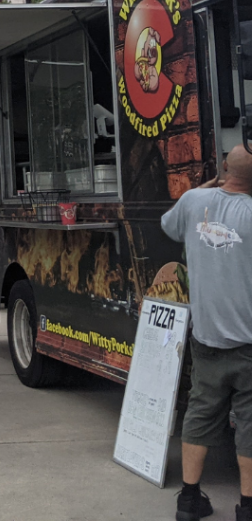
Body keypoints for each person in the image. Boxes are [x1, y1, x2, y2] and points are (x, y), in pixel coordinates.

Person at [162, 145, 252, 521]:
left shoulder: (192, 200)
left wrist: (205, 190)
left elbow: (168, 226)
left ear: (222, 168)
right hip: (248, 343)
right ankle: (247, 507)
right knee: (249, 420)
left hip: (207, 338)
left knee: (199, 412)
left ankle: (189, 500)